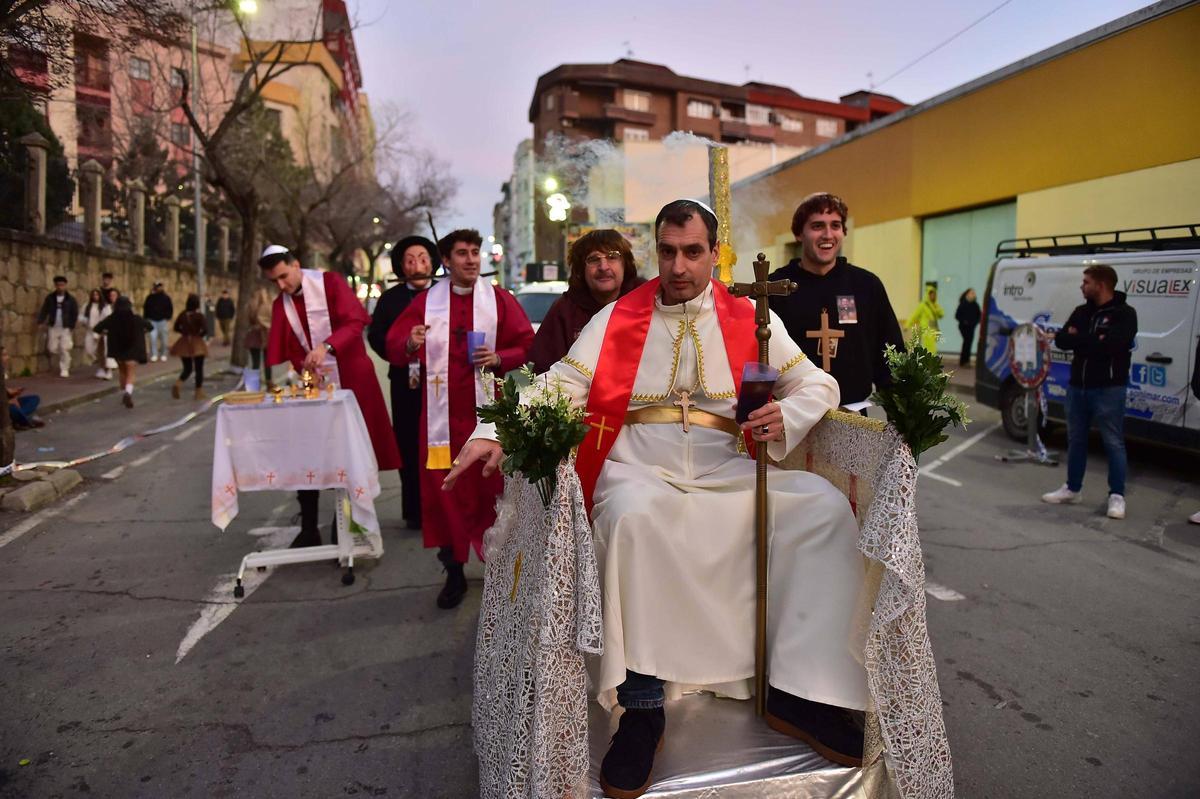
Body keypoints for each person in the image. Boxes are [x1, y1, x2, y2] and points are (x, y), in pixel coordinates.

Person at [449, 200, 870, 796]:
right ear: (656, 251)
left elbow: (815, 382)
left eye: (692, 252)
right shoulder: (619, 317)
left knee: (822, 510)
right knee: (630, 519)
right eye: (667, 252)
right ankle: (642, 709)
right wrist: (492, 431)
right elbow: (560, 384)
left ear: (714, 254)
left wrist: (788, 411)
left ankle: (797, 692)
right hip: (638, 465)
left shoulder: (749, 315)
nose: (678, 266)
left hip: (727, 467)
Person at [385, 229, 534, 609]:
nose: (471, 260)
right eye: (462, 254)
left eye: (475, 253)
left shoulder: (499, 299)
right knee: (444, 494)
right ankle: (453, 572)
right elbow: (394, 343)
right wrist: (410, 342)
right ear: (446, 261)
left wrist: (500, 358)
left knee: (492, 491)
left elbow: (528, 344)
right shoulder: (426, 302)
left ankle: (498, 571)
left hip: (488, 419)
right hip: (440, 422)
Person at [261, 245, 401, 547]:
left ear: (296, 264)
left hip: (351, 377)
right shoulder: (281, 303)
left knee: (350, 450)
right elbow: (286, 348)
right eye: (275, 281)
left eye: (284, 276)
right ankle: (309, 526)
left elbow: (354, 323)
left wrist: (326, 346)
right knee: (307, 453)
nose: (282, 285)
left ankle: (348, 519)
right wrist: (301, 369)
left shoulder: (331, 283)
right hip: (313, 389)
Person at [768, 193, 904, 405]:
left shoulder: (867, 285)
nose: (828, 234)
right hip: (791, 415)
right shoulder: (775, 287)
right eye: (817, 226)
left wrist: (901, 418)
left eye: (836, 225)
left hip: (854, 414)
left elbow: (890, 355)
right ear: (798, 233)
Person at [1041, 265, 1137, 520]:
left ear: (1101, 284)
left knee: (1113, 442)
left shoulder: (1124, 314)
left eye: (1086, 282)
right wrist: (1091, 339)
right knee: (1076, 440)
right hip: (1077, 387)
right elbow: (1062, 340)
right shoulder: (1081, 312)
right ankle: (1073, 489)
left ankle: (1116, 496)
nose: (1081, 286)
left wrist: (1080, 338)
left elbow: (1113, 347)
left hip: (1108, 389)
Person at [367, 235, 439, 531]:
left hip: (441, 381)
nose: (417, 265)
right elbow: (376, 337)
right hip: (404, 381)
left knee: (440, 442)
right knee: (408, 443)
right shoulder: (391, 299)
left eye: (422, 258)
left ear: (433, 262)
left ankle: (441, 507)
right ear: (401, 266)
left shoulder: (444, 295)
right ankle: (413, 509)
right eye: (410, 260)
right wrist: (401, 347)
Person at [528, 228, 643, 373]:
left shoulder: (645, 300)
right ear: (580, 270)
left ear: (625, 264)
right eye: (594, 259)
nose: (603, 267)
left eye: (612, 257)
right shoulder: (565, 310)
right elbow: (544, 372)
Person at [93, 297, 152, 409]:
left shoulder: (112, 319)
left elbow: (97, 328)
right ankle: (128, 393)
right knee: (131, 372)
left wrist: (107, 332)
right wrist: (141, 331)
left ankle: (123, 393)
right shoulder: (136, 319)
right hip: (133, 350)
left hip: (118, 350)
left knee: (122, 372)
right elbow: (150, 326)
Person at [36, 275, 78, 378]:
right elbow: (44, 310)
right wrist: (40, 321)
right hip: (53, 326)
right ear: (55, 285)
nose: (60, 287)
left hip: (65, 326)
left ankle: (64, 368)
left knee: (64, 348)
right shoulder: (50, 298)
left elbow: (74, 312)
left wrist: (72, 325)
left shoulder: (71, 299)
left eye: (62, 285)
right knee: (52, 348)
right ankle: (66, 354)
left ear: (65, 285)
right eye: (58, 285)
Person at [170, 293, 208, 401]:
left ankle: (178, 383)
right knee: (199, 368)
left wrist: (184, 333)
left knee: (187, 368)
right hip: (197, 343)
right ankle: (198, 392)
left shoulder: (182, 314)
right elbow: (205, 329)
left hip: (184, 343)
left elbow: (176, 327)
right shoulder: (199, 316)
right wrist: (199, 336)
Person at [3, 346, 45, 429]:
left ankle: (18, 418)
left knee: (34, 399)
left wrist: (13, 393)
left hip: (7, 401)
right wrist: (9, 401)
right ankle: (27, 421)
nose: (7, 358)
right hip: (3, 405)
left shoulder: (3, 371)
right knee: (13, 409)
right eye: (4, 355)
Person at [244, 282, 275, 378]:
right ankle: (269, 383)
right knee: (267, 362)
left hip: (254, 334)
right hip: (265, 334)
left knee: (255, 363)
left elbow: (247, 319)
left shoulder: (250, 305)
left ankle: (254, 386)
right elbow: (271, 320)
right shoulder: (266, 306)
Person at [907, 283, 944, 353]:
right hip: (926, 329)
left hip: (934, 328)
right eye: (931, 294)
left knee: (931, 346)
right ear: (928, 295)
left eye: (934, 295)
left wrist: (937, 309)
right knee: (930, 347)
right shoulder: (923, 305)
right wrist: (907, 325)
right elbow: (915, 315)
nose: (933, 296)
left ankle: (930, 360)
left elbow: (941, 315)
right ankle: (931, 360)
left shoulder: (935, 305)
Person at [143, 282, 174, 362]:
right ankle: (154, 354)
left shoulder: (166, 298)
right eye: (157, 286)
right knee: (152, 338)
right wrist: (146, 318)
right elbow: (146, 308)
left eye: (159, 286)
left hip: (162, 320)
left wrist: (168, 317)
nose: (158, 288)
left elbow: (170, 308)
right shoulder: (150, 297)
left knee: (164, 339)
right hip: (152, 320)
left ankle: (163, 353)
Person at [81, 289, 108, 378]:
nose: (95, 297)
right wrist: (84, 321)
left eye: (97, 295)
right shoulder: (87, 306)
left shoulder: (104, 307)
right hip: (90, 331)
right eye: (94, 295)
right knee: (89, 350)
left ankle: (103, 368)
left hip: (100, 331)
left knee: (101, 351)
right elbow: (82, 316)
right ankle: (97, 362)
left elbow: (107, 318)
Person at [955, 288, 981, 367]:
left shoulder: (975, 305)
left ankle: (966, 361)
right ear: (967, 294)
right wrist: (964, 321)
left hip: (972, 327)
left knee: (968, 343)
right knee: (967, 342)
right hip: (964, 327)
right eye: (971, 293)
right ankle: (964, 361)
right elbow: (957, 316)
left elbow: (979, 315)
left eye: (974, 293)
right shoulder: (963, 304)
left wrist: (976, 322)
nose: (973, 295)